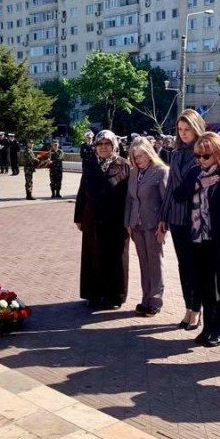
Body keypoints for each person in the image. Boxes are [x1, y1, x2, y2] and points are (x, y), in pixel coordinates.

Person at [173, 132, 220, 347]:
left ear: (218, 153)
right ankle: (207, 327)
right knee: (204, 285)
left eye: (206, 156)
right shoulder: (195, 173)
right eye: (198, 155)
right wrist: (199, 184)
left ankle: (219, 329)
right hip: (197, 239)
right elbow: (178, 195)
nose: (201, 160)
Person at [159, 109, 207, 330]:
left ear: (196, 129)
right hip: (177, 218)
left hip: (196, 217)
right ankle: (188, 306)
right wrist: (164, 216)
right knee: (183, 265)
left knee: (196, 265)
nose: (184, 133)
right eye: (180, 129)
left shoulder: (204, 153)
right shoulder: (175, 153)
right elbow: (170, 187)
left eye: (188, 129)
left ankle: (197, 309)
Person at [74, 130, 131, 310]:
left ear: (114, 145)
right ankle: (94, 294)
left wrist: (131, 219)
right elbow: (82, 192)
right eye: (100, 144)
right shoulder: (90, 164)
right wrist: (78, 217)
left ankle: (115, 295)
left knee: (116, 257)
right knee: (93, 255)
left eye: (107, 144)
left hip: (116, 220)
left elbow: (130, 195)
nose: (103, 147)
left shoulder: (124, 165)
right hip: (92, 219)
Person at [124, 138, 169, 316]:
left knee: (155, 263)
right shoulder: (134, 173)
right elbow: (130, 200)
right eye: (135, 157)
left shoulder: (161, 171)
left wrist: (164, 225)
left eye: (141, 156)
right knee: (144, 263)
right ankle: (146, 299)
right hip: (136, 225)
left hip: (154, 225)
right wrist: (128, 223)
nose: (138, 160)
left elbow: (166, 201)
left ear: (149, 153)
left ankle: (155, 301)